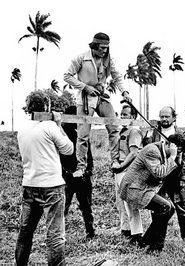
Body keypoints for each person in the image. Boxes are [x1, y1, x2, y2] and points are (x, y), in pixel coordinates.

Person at [16, 90, 74, 266]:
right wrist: (59, 124)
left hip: (29, 185)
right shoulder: (50, 127)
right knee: (55, 236)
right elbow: (69, 149)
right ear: (47, 107)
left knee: (25, 233)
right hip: (51, 187)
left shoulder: (22, 128)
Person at [63, 32, 132, 179]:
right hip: (86, 98)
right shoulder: (81, 58)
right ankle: (81, 167)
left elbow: (117, 76)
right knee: (83, 134)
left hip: (101, 96)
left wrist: (125, 92)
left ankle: (115, 161)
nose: (104, 51)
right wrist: (84, 87)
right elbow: (67, 76)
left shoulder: (108, 59)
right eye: (102, 48)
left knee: (113, 127)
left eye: (107, 48)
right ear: (94, 46)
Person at [119, 134, 185, 253]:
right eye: (177, 150)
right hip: (134, 188)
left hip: (145, 188)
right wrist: (172, 157)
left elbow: (173, 174)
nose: (176, 153)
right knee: (165, 207)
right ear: (169, 145)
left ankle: (146, 242)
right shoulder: (152, 151)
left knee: (170, 209)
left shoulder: (165, 153)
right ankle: (155, 248)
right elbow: (159, 173)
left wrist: (178, 158)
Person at [144, 106, 185, 241]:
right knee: (159, 209)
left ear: (174, 118)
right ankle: (157, 239)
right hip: (159, 176)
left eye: (167, 116)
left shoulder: (180, 134)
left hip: (175, 177)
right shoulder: (153, 133)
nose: (164, 119)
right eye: (162, 117)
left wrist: (184, 177)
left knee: (181, 208)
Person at [60, 106, 95, 239]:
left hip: (79, 176)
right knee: (66, 207)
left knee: (84, 207)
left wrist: (87, 171)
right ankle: (89, 232)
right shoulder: (65, 134)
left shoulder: (80, 134)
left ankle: (90, 232)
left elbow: (88, 155)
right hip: (69, 176)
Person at [112, 104, 144, 244]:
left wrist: (121, 166)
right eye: (121, 114)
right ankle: (125, 230)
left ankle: (136, 233)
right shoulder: (122, 131)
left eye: (126, 114)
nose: (122, 117)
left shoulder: (133, 131)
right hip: (119, 169)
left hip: (128, 169)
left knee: (130, 203)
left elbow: (134, 153)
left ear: (133, 117)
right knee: (120, 202)